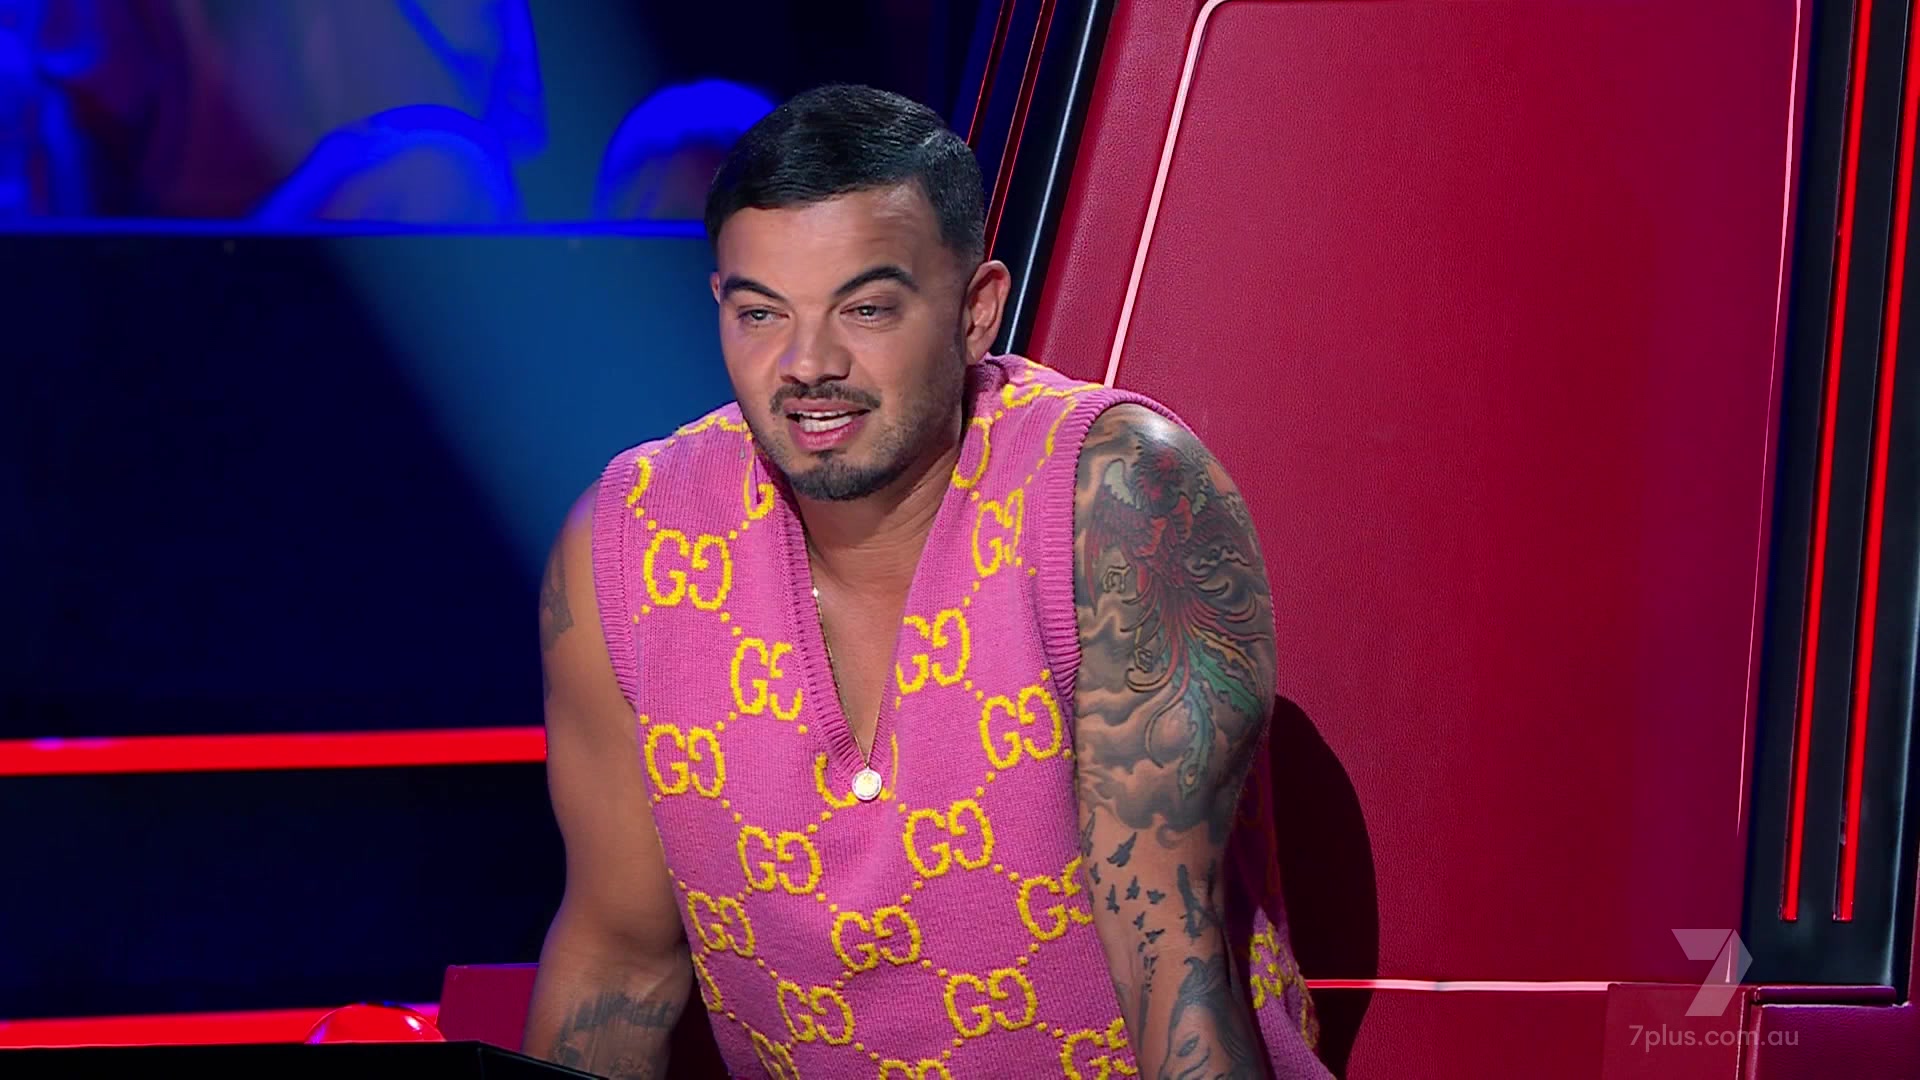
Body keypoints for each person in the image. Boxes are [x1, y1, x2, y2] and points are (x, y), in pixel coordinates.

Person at [524, 83, 1329, 1079]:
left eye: (865, 309)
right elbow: (619, 962)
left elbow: (1172, 956)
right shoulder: (628, 544)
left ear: (975, 310)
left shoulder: (1117, 500)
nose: (807, 364)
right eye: (761, 314)